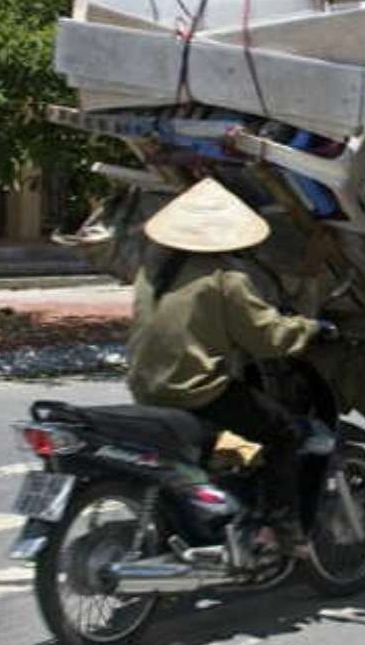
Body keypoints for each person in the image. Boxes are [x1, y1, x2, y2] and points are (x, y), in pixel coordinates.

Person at [127, 178, 338, 556]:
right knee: (284, 434)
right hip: (197, 393)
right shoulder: (226, 278)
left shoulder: (153, 270)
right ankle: (282, 529)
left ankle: (227, 500)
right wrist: (312, 330)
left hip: (146, 389)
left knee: (233, 445)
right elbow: (267, 337)